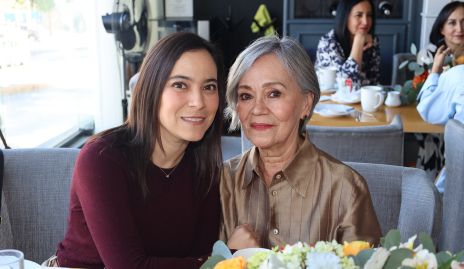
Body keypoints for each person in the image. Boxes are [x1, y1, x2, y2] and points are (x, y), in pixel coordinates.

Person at [51, 32, 225, 269]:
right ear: (151, 89)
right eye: (180, 85)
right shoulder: (102, 158)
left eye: (209, 87)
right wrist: (229, 259)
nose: (199, 102)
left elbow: (202, 259)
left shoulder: (204, 166)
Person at [220, 35, 381, 250]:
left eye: (273, 93)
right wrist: (229, 255)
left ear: (306, 104)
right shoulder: (220, 183)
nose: (257, 109)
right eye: (246, 96)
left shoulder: (346, 189)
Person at [416, 1, 464, 192]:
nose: (459, 28)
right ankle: (425, 187)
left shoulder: (457, 74)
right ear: (441, 27)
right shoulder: (428, 53)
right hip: (439, 125)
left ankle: (427, 195)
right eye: (452, 22)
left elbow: (428, 108)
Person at [315, 0, 380, 87]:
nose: (365, 22)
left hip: (361, 99)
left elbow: (373, 83)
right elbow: (346, 85)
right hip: (330, 99)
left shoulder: (372, 40)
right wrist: (359, 41)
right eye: (359, 15)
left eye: (369, 15)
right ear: (345, 17)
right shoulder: (327, 43)